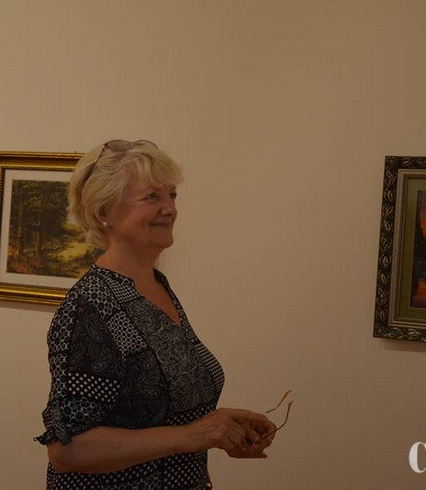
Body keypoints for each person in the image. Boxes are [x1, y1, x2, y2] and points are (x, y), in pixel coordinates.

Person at [35, 140, 277, 489]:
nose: (170, 209)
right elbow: (67, 449)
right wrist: (195, 434)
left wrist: (222, 428)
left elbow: (160, 413)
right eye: (152, 197)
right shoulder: (91, 305)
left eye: (172, 195)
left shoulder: (155, 285)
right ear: (103, 212)